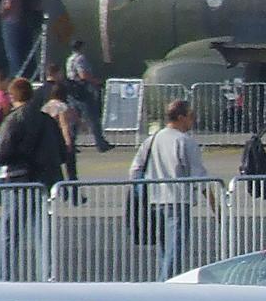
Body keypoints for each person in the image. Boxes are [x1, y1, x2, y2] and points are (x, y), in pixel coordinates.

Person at [129, 98, 219, 280]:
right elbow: (199, 176)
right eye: (191, 116)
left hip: (154, 201)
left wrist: (143, 190)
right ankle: (166, 288)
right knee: (174, 251)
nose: (193, 120)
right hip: (177, 201)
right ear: (181, 117)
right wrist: (214, 205)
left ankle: (163, 282)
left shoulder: (151, 139)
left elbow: (135, 170)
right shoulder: (185, 141)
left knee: (164, 250)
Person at [0, 77, 71, 279]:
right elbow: (63, 153)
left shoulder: (13, 120)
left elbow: (2, 155)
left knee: (10, 234)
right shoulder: (47, 120)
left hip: (19, 181)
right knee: (43, 234)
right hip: (45, 182)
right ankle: (46, 277)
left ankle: (5, 278)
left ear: (13, 96)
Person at [65, 39, 115, 152]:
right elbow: (83, 75)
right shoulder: (80, 59)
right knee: (93, 118)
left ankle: (71, 143)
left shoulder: (69, 59)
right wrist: (96, 81)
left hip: (73, 91)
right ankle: (100, 143)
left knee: (74, 118)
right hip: (83, 90)